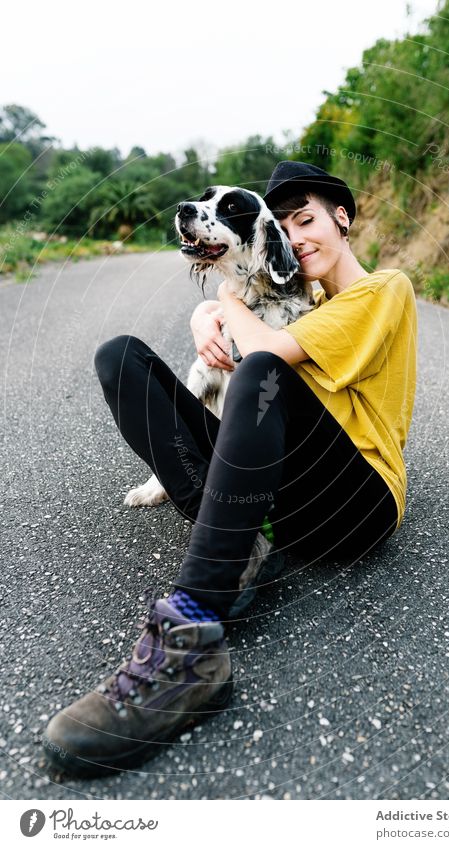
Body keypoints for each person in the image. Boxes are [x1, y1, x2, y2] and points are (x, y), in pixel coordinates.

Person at [42, 160, 418, 777]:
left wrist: (217, 303)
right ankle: (243, 541)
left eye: (308, 220)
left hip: (357, 501)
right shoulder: (295, 299)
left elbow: (267, 352)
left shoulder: (385, 289)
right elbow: (250, 326)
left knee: (261, 372)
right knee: (122, 358)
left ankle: (188, 645)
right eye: (285, 227)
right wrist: (208, 316)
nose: (297, 239)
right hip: (283, 491)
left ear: (341, 218)